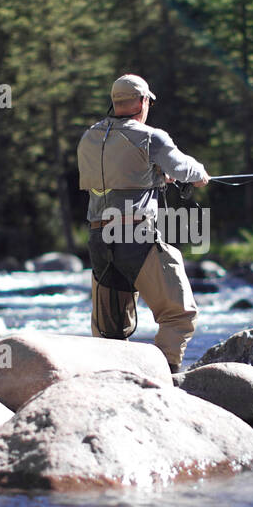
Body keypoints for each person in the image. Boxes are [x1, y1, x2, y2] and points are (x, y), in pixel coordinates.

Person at [77, 73, 209, 373]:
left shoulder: (88, 138)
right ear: (141, 101)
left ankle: (111, 381)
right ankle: (166, 375)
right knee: (179, 313)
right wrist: (199, 174)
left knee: (109, 333)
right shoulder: (150, 136)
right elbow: (184, 168)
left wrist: (156, 177)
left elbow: (116, 176)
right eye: (147, 100)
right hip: (135, 236)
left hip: (98, 239)